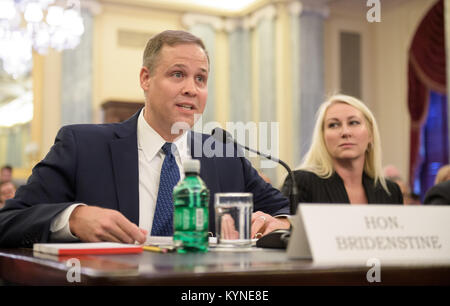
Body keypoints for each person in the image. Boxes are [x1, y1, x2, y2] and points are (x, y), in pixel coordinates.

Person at [0, 30, 290, 248]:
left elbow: (286, 210)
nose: (192, 89)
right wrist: (72, 218)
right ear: (145, 78)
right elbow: (8, 221)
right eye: (178, 74)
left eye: (200, 79)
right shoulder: (82, 146)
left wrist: (279, 223)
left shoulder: (224, 155)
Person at [281, 94, 403, 205]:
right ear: (322, 137)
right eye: (333, 125)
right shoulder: (301, 182)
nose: (345, 132)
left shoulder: (390, 191)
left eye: (353, 122)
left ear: (370, 133)